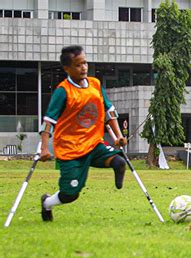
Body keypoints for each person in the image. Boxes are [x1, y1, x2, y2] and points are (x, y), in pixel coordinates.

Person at [39, 45, 127, 222]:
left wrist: (118, 137)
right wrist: (43, 148)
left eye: (85, 63)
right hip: (70, 150)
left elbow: (109, 111)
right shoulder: (63, 91)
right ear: (67, 69)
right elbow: (48, 122)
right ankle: (47, 203)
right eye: (78, 65)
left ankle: (118, 180)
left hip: (94, 144)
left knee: (119, 162)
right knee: (70, 195)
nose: (83, 68)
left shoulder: (95, 84)